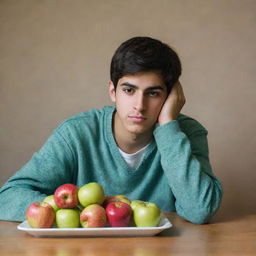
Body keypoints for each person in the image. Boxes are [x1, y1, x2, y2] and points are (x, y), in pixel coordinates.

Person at [0, 37, 222, 224]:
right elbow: (7, 197)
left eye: (153, 93)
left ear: (171, 97)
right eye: (129, 90)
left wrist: (168, 127)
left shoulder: (186, 133)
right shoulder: (77, 134)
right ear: (113, 91)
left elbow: (199, 209)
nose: (139, 105)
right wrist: (80, 217)